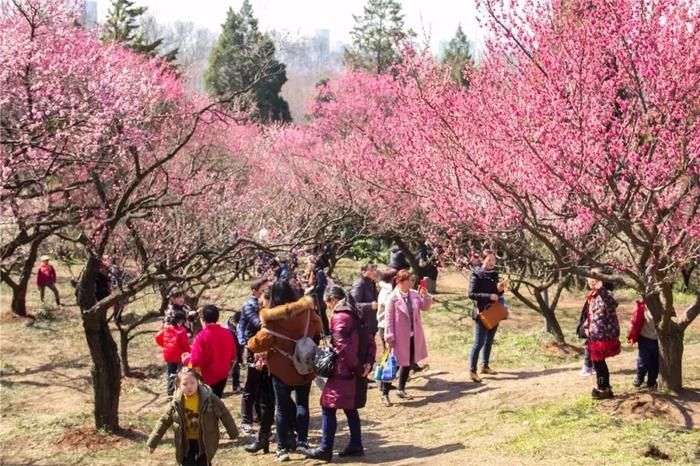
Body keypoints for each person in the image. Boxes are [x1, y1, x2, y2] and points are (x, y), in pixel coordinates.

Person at [247, 280, 323, 462]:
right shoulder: (306, 311)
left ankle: (281, 449)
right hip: (304, 365)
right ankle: (303, 442)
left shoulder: (273, 319)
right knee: (302, 405)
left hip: (281, 369)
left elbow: (258, 343)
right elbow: (318, 328)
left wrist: (252, 343)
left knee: (281, 409)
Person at [305, 286, 376, 462]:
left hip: (344, 373)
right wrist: (367, 363)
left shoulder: (339, 317)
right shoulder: (356, 313)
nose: (328, 307)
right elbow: (371, 341)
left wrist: (359, 367)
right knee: (350, 407)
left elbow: (342, 346)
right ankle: (356, 444)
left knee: (328, 407)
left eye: (327, 303)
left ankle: (325, 449)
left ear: (332, 300)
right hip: (356, 371)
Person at [147, 367, 238, 466]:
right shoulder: (176, 402)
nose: (189, 386)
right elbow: (163, 421)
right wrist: (153, 442)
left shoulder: (209, 399)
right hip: (186, 441)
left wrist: (233, 433)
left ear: (198, 381)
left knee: (203, 463)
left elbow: (224, 413)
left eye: (192, 383)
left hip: (204, 440)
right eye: (185, 384)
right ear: (178, 385)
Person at [382, 269, 433, 406]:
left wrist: (426, 296)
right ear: (400, 282)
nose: (411, 282)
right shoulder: (392, 298)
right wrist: (389, 337)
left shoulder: (414, 294)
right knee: (393, 366)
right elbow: (388, 319)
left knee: (408, 363)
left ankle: (401, 389)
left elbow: (425, 307)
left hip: (412, 335)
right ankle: (385, 393)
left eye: (411, 280)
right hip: (398, 337)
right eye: (409, 280)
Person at [468, 249, 506, 383]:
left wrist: (499, 290)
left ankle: (485, 365)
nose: (491, 262)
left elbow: (496, 294)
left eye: (493, 260)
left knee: (489, 340)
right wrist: (489, 296)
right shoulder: (476, 274)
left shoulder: (494, 274)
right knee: (479, 342)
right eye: (488, 259)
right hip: (481, 312)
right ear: (483, 260)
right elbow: (471, 294)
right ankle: (472, 371)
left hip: (493, 311)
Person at [183, 305, 237, 398]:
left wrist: (186, 359)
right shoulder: (227, 333)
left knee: (207, 404)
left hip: (208, 377)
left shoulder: (201, 336)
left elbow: (195, 361)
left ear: (203, 319)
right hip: (223, 374)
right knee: (217, 400)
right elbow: (233, 354)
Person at [237, 278, 268, 434]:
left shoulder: (265, 305)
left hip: (266, 347)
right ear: (255, 291)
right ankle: (246, 420)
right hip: (254, 348)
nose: (266, 294)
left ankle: (261, 416)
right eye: (263, 291)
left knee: (264, 384)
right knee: (252, 384)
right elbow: (259, 323)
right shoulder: (249, 305)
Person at [583, 271, 621, 399]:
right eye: (589, 279)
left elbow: (612, 304)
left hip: (602, 335)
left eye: (593, 279)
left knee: (598, 363)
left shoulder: (606, 294)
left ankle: (604, 388)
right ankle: (604, 388)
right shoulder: (592, 296)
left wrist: (601, 289)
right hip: (594, 335)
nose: (590, 282)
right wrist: (586, 326)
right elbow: (592, 315)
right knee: (597, 363)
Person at [155, 309, 191, 396]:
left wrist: (165, 345)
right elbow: (185, 345)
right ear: (181, 320)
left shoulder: (167, 329)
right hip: (178, 356)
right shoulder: (181, 331)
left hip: (168, 355)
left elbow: (157, 337)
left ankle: (170, 391)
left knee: (171, 374)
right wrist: (190, 352)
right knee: (180, 374)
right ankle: (180, 391)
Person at [628, 300, 659, 390]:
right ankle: (639, 377)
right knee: (643, 360)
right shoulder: (642, 307)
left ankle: (652, 382)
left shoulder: (664, 308)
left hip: (658, 340)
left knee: (655, 362)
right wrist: (630, 334)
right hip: (644, 338)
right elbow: (634, 321)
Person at [349, 263, 379, 341]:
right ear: (363, 272)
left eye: (375, 270)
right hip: (362, 324)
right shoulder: (360, 283)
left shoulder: (372, 283)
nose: (375, 272)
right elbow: (352, 304)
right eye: (371, 270)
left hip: (371, 324)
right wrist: (370, 306)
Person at [306, 255, 330, 336]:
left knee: (321, 314)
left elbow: (321, 285)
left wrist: (312, 290)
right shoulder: (314, 272)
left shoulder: (319, 272)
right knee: (318, 314)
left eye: (308, 263)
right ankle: (321, 331)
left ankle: (325, 331)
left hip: (319, 298)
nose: (307, 265)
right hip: (315, 298)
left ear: (313, 263)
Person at [377, 267, 398, 350]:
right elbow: (394, 306)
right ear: (393, 279)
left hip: (390, 326)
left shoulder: (391, 290)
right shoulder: (387, 292)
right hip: (385, 327)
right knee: (389, 355)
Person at [227, 310, 244, 395]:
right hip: (228, 351)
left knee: (236, 367)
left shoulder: (236, 326)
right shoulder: (227, 329)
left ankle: (236, 386)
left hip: (236, 350)